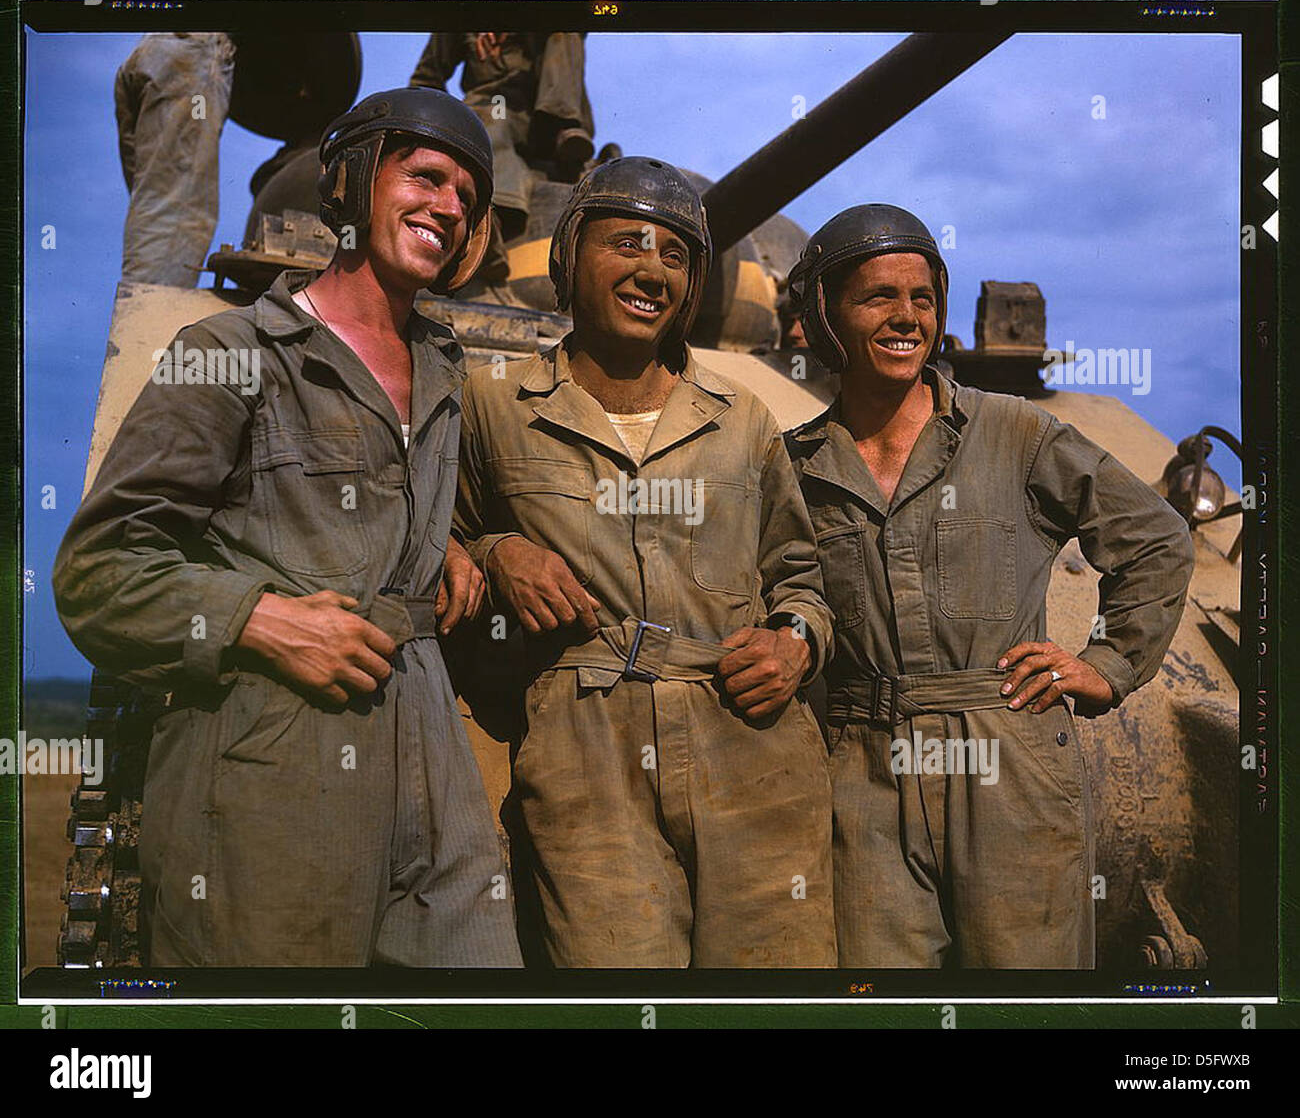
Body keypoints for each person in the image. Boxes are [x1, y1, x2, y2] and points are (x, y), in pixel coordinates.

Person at [53, 87, 523, 968]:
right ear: (348, 183)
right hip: (276, 753)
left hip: (434, 761)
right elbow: (99, 573)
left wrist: (455, 544)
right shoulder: (229, 352)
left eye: (469, 194)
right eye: (425, 176)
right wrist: (261, 618)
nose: (451, 207)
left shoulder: (445, 371)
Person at [784, 204, 1196, 968]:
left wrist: (1104, 666)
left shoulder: (1012, 433)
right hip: (861, 773)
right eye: (878, 297)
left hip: (1007, 761)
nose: (907, 317)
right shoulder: (795, 465)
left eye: (923, 298)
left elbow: (1158, 539)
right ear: (824, 314)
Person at [454, 157, 837, 968]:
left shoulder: (744, 419)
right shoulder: (492, 405)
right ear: (568, 258)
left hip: (753, 744)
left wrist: (796, 639)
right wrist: (497, 550)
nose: (651, 269)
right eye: (626, 241)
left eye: (675, 254)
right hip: (585, 753)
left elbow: (800, 577)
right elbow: (427, 546)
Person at [411, 32, 596, 285]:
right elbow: (426, 79)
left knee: (565, 29)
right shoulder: (462, 13)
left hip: (545, 121)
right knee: (489, 127)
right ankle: (485, 229)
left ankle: (565, 125)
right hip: (491, 105)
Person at [114, 32, 236, 286]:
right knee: (176, 208)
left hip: (156, 52)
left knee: (155, 198)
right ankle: (150, 322)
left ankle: (143, 311)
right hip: (192, 57)